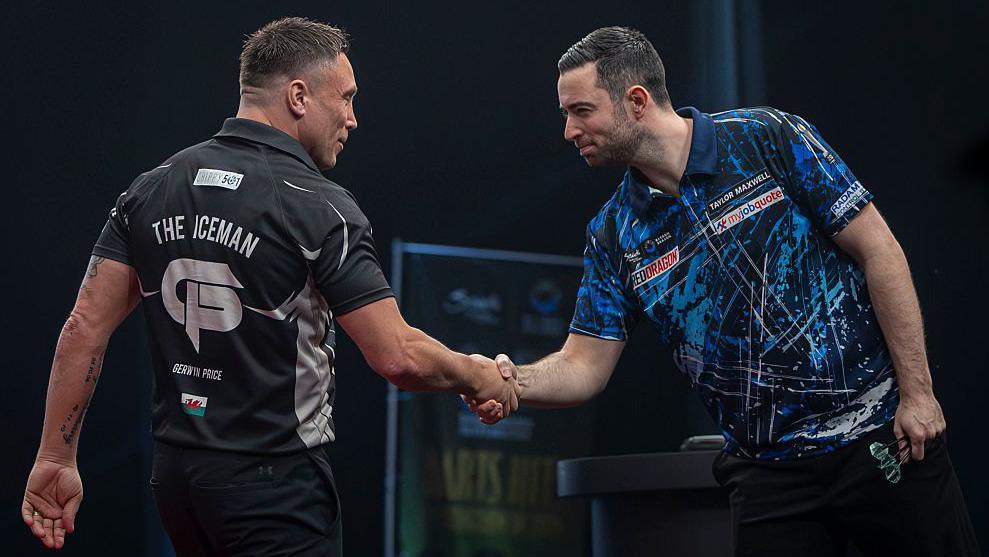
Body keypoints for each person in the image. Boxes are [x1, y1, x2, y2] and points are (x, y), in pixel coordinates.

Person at [468, 26, 980, 556]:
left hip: (882, 435)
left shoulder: (768, 138)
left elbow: (882, 253)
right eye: (567, 115)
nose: (569, 131)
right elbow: (584, 365)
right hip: (768, 475)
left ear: (636, 101)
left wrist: (918, 394)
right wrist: (515, 381)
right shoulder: (613, 234)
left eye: (581, 111)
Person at [21, 17, 518, 556]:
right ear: (299, 96)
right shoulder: (319, 206)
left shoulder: (152, 188)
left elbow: (83, 326)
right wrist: (478, 374)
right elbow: (398, 356)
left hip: (179, 482)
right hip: (273, 487)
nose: (352, 118)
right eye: (346, 98)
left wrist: (54, 457)